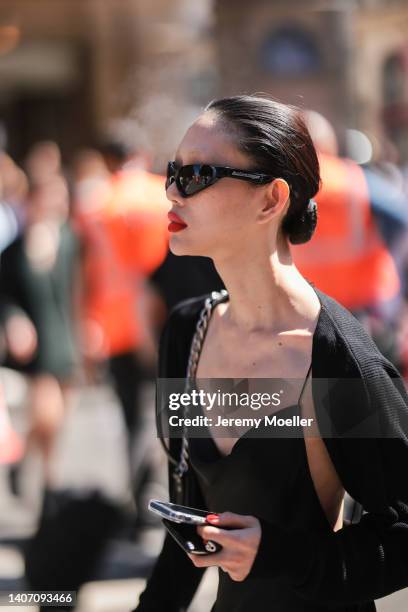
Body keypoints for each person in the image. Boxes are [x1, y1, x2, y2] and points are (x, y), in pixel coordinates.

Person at [131, 95, 408, 612]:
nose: (171, 190)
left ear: (270, 199)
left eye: (196, 175)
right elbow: (186, 518)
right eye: (172, 171)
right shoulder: (187, 332)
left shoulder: (337, 357)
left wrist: (284, 555)